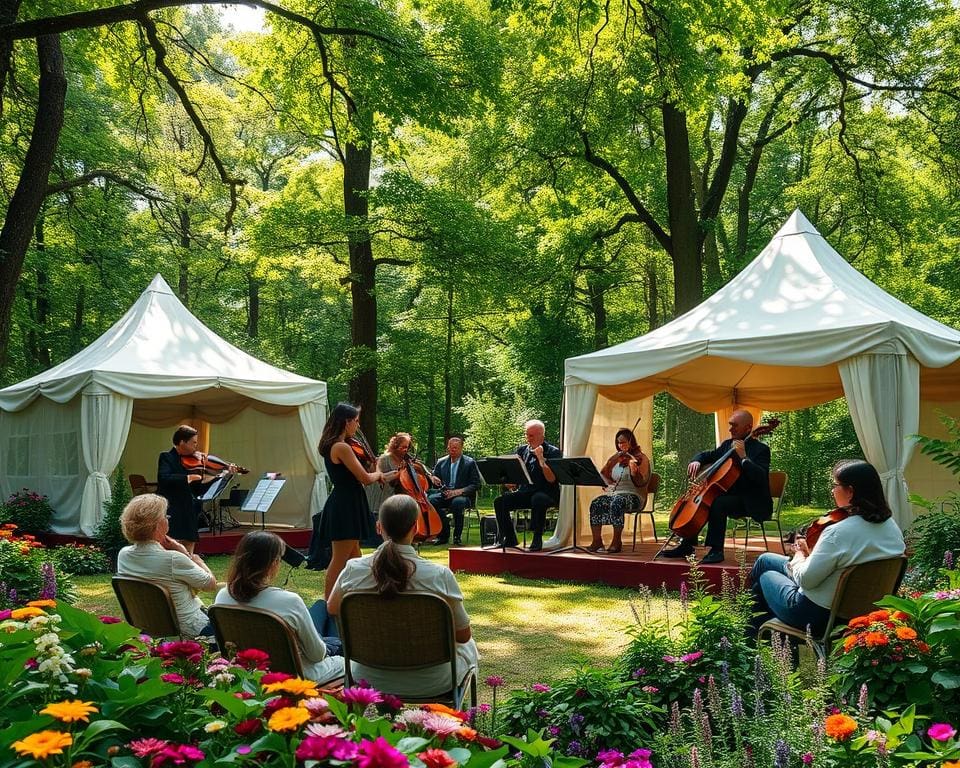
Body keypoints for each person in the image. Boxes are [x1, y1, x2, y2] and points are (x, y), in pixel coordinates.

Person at [327, 495, 479, 696]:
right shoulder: (439, 575)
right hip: (434, 679)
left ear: (379, 527)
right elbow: (463, 635)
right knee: (471, 647)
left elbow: (332, 607)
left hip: (368, 676)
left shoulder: (354, 569)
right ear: (415, 528)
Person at [748, 460, 905, 639]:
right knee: (765, 560)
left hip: (818, 616)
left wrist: (800, 554)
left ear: (851, 491)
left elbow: (806, 580)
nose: (832, 490)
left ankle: (754, 643)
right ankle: (775, 645)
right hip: (865, 613)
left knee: (764, 576)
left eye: (835, 485)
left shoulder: (838, 532)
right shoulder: (891, 527)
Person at [214, 531, 345, 684]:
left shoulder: (223, 596)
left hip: (248, 671)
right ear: (274, 563)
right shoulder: (289, 601)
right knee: (342, 651)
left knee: (321, 608)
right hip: (298, 675)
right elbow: (317, 655)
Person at [308, 403, 398, 599]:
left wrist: (377, 472)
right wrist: (378, 473)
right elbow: (365, 478)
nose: (357, 426)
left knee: (354, 558)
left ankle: (360, 596)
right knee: (339, 560)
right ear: (346, 422)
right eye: (356, 421)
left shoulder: (338, 444)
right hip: (345, 505)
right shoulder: (341, 447)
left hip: (348, 501)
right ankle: (327, 605)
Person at [661, 409, 771, 564]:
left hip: (751, 500)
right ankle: (687, 544)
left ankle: (716, 550)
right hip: (729, 495)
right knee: (710, 500)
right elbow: (708, 455)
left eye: (735, 426)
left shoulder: (761, 450)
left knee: (718, 503)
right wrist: (696, 460)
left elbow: (760, 477)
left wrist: (744, 458)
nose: (730, 429)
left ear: (748, 428)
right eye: (730, 425)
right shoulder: (728, 445)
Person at [116, 493, 217, 638]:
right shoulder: (173, 559)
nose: (168, 519)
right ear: (158, 525)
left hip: (148, 626)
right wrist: (193, 558)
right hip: (189, 629)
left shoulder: (124, 555)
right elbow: (210, 584)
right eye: (166, 516)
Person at [493, 419, 562, 552]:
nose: (528, 438)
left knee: (538, 499)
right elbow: (517, 473)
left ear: (542, 435)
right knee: (500, 502)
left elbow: (552, 479)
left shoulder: (553, 452)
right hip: (526, 492)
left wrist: (541, 459)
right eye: (527, 435)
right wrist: (511, 482)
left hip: (547, 493)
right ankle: (510, 538)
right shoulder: (522, 450)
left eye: (531, 435)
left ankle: (537, 538)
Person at [587, 428, 650, 554]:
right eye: (619, 443)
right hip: (615, 493)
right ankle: (597, 541)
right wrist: (608, 484)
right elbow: (603, 473)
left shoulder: (641, 458)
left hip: (635, 495)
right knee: (596, 502)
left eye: (624, 442)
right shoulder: (617, 458)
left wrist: (634, 469)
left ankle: (616, 541)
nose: (621, 446)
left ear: (631, 442)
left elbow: (641, 482)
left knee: (617, 502)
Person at [156, 425, 206, 554]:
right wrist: (188, 477)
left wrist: (220, 473)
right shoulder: (166, 456)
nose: (196, 446)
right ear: (182, 442)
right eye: (193, 443)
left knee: (189, 544)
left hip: (188, 508)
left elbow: (197, 488)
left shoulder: (193, 460)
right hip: (173, 507)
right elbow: (164, 478)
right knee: (171, 544)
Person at [428, 436, 482, 545]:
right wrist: (433, 478)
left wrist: (457, 492)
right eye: (450, 447)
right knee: (430, 501)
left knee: (458, 502)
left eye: (455, 448)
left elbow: (476, 485)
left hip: (463, 495)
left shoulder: (469, 462)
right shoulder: (441, 462)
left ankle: (457, 536)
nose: (452, 450)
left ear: (461, 448)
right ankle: (444, 533)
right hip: (445, 494)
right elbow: (434, 480)